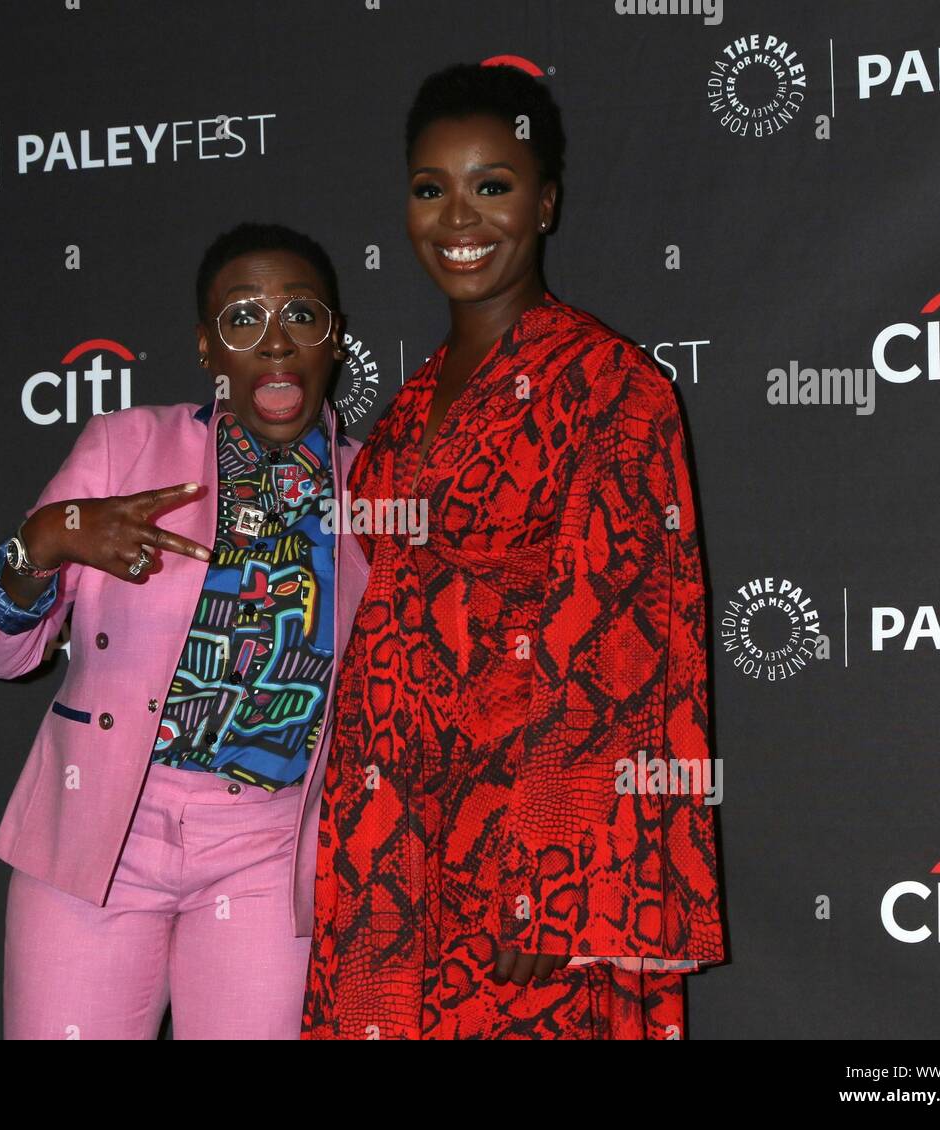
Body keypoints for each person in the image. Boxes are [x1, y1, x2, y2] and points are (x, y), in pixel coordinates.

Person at [302, 62, 725, 1040]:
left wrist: (557, 875)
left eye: (491, 184)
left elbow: (625, 644)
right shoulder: (404, 409)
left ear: (545, 203)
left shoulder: (611, 386)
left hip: (526, 849)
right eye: (430, 188)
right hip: (390, 837)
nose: (459, 216)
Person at [0, 222, 370, 1039]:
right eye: (242, 317)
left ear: (334, 337)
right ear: (208, 347)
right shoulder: (126, 447)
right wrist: (45, 543)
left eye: (301, 314)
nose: (275, 340)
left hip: (269, 846)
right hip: (100, 829)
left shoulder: (378, 487)